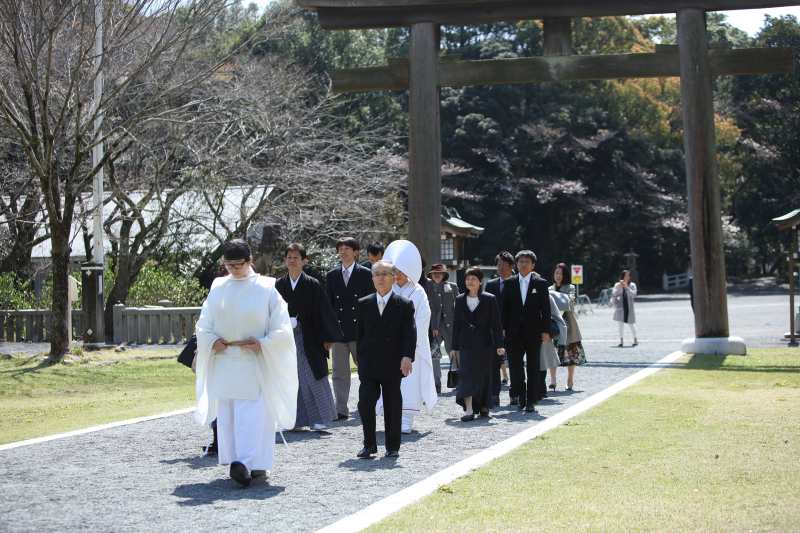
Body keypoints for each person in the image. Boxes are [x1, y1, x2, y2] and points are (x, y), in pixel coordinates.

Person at [194, 239, 297, 487]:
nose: (233, 269)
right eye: (228, 265)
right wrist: (211, 339)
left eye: (238, 264)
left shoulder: (266, 287)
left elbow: (282, 328)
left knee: (253, 416)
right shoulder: (218, 287)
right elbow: (204, 323)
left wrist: (264, 343)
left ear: (250, 260)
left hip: (254, 360)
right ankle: (236, 461)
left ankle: (252, 463)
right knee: (229, 416)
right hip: (225, 359)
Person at [276, 243, 343, 431]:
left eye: (296, 257)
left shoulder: (313, 284)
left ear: (304, 261)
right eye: (289, 257)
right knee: (289, 377)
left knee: (311, 376)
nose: (292, 260)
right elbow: (271, 313)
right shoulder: (279, 285)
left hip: (310, 339)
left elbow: (324, 312)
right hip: (286, 339)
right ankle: (292, 421)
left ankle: (318, 418)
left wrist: (327, 338)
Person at [355, 259, 416, 458]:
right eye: (377, 274)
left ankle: (392, 446)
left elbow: (410, 333)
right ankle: (369, 444)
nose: (380, 278)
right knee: (365, 402)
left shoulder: (404, 304)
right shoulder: (363, 303)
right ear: (372, 279)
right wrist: (360, 358)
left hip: (392, 360)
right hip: (369, 361)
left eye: (385, 274)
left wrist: (407, 356)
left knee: (392, 403)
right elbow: (360, 335)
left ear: (394, 278)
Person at [376, 240, 438, 433]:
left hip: (412, 347)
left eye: (402, 269)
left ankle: (407, 419)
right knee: (389, 382)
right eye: (396, 269)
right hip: (388, 346)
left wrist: (408, 343)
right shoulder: (386, 289)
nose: (399, 273)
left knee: (410, 383)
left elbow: (423, 319)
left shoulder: (418, 292)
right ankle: (392, 417)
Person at [326, 237, 376, 420]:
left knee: (364, 370)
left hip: (359, 330)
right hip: (339, 331)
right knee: (339, 371)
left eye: (347, 248)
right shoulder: (331, 275)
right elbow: (330, 306)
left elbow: (371, 303)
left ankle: (366, 404)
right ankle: (340, 408)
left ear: (356, 252)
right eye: (340, 249)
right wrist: (328, 333)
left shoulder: (365, 274)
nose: (343, 252)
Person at [450, 267, 505, 421]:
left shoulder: (490, 299)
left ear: (481, 281)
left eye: (474, 279)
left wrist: (500, 345)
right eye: (468, 279)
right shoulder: (460, 299)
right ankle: (468, 409)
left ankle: (483, 405)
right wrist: (453, 347)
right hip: (465, 342)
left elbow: (496, 324)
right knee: (466, 375)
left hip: (485, 342)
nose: (470, 281)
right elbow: (456, 325)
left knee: (483, 375)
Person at [500, 250, 550, 413]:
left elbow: (546, 309)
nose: (524, 264)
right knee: (515, 365)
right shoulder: (510, 283)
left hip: (534, 331)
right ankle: (520, 395)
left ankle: (531, 400)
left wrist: (546, 330)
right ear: (516, 264)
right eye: (521, 261)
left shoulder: (540, 283)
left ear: (533, 265)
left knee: (534, 366)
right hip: (514, 331)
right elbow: (504, 309)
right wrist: (503, 328)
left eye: (527, 262)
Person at [550, 263, 587, 391]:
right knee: (552, 352)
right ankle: (553, 380)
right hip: (554, 323)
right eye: (556, 273)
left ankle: (570, 380)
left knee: (571, 352)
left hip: (568, 324)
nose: (558, 276)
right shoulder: (549, 288)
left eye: (561, 273)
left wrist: (553, 299)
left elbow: (569, 301)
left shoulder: (570, 288)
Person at [483, 251, 514, 405]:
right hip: (495, 330)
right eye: (499, 265)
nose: (501, 268)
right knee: (494, 363)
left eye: (504, 265)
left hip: (514, 328)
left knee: (515, 362)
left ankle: (515, 393)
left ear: (511, 266)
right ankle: (494, 394)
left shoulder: (517, 283)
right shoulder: (491, 284)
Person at [428, 263, 459, 393]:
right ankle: (436, 383)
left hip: (450, 325)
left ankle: (457, 381)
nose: (437, 275)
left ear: (444, 274)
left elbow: (459, 303)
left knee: (454, 353)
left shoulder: (452, 287)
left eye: (439, 273)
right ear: (430, 275)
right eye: (434, 273)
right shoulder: (427, 287)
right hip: (433, 326)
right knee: (433, 355)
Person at [541, 292, 567, 396]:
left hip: (544, 330)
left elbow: (558, 313)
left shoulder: (547, 295)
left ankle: (546, 383)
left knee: (544, 358)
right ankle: (543, 385)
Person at [613, 269, 638, 347]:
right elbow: (614, 294)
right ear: (622, 277)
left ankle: (635, 340)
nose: (627, 277)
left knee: (631, 324)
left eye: (628, 276)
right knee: (620, 324)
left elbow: (634, 294)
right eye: (625, 276)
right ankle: (621, 341)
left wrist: (627, 288)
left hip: (629, 307)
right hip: (620, 307)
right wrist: (620, 287)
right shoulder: (617, 285)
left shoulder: (632, 285)